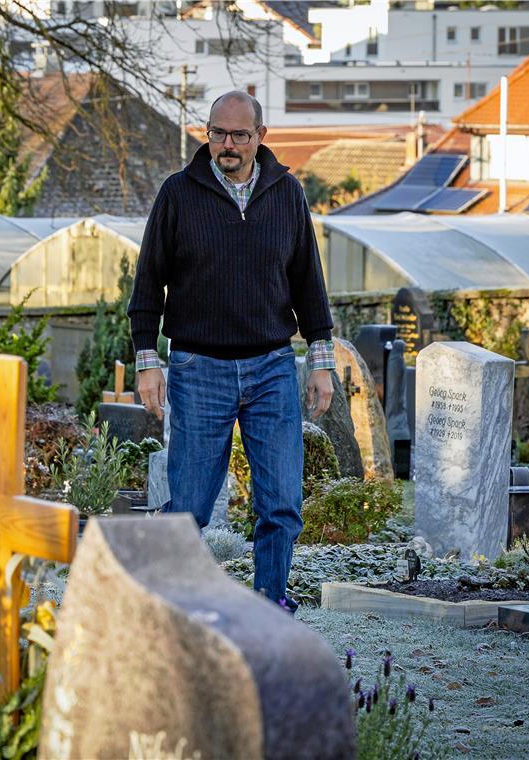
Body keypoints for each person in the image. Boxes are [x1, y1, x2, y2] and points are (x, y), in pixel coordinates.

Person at [128, 91, 335, 613]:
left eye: (240, 135)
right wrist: (147, 362)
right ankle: (182, 606)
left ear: (260, 137)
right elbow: (148, 285)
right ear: (207, 134)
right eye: (217, 133)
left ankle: (271, 602)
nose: (227, 144)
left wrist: (321, 360)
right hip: (199, 368)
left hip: (271, 367)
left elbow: (308, 280)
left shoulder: (287, 193)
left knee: (281, 502)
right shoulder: (178, 194)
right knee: (191, 506)